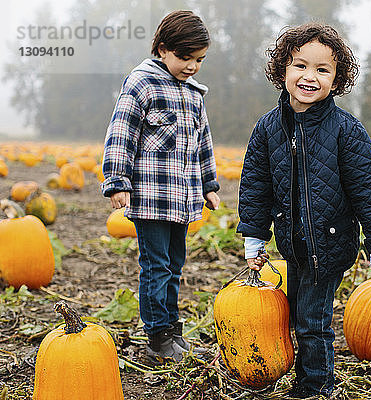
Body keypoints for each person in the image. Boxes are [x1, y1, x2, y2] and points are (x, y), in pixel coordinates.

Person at [237, 23, 371, 398]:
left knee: (312, 322)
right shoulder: (268, 128)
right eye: (300, 66)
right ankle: (306, 378)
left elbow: (369, 190)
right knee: (296, 316)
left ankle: (315, 387)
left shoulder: (346, 130)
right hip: (292, 245)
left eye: (322, 70)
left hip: (329, 246)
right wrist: (254, 238)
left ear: (336, 79)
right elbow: (256, 187)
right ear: (282, 71)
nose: (310, 76)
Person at [101, 10, 220, 365]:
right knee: (156, 266)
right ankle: (157, 337)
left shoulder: (195, 95)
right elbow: (121, 133)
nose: (192, 66)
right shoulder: (142, 84)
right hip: (151, 199)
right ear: (163, 49)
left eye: (199, 59)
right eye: (185, 58)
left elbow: (203, 144)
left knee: (175, 265)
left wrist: (209, 184)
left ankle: (171, 329)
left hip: (181, 200)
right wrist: (117, 181)